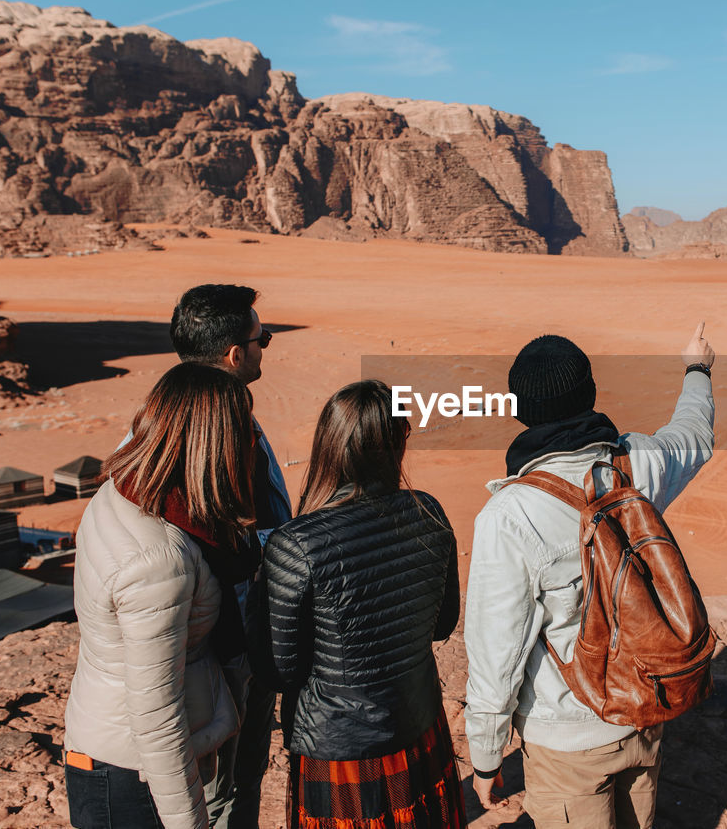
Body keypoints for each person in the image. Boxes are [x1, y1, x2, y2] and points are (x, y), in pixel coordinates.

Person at [464, 324, 716, 829]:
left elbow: (498, 652)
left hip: (567, 742)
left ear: (520, 411)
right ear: (590, 395)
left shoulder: (511, 515)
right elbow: (694, 436)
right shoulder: (636, 463)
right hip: (643, 714)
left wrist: (487, 758)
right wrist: (697, 369)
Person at [261, 380, 467, 829]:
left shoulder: (295, 545)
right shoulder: (429, 512)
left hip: (339, 748)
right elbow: (442, 623)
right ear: (396, 444)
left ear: (328, 445)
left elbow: (279, 670)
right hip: (419, 721)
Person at [64, 362, 259, 829]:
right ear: (217, 446)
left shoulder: (127, 490)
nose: (253, 441)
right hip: (135, 778)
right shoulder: (159, 562)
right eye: (244, 430)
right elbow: (155, 717)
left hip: (114, 753)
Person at [169, 284, 293, 828]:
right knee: (223, 790)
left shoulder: (166, 423)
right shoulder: (209, 433)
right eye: (261, 338)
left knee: (242, 781)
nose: (266, 345)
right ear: (234, 354)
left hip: (239, 639)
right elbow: (215, 539)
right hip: (222, 645)